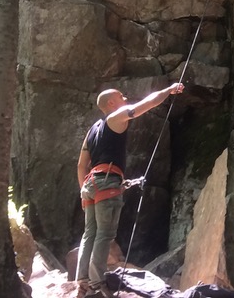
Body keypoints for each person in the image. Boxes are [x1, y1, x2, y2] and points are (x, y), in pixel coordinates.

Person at [76, 82, 184, 298]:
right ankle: (97, 284)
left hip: (90, 184)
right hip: (105, 182)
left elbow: (81, 165)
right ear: (111, 103)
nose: (125, 99)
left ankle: (82, 281)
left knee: (90, 233)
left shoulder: (92, 130)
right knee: (104, 235)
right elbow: (147, 104)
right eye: (121, 97)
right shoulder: (117, 116)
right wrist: (168, 90)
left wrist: (83, 191)